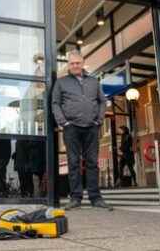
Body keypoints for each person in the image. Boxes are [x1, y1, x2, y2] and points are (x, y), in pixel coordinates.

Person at [52, 50, 110, 210]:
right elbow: (55, 103)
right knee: (73, 163)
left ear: (83, 63)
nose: (75, 65)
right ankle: (75, 198)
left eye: (78, 62)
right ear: (68, 65)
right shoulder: (61, 82)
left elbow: (102, 101)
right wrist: (63, 122)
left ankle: (95, 198)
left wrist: (99, 120)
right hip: (71, 128)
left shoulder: (93, 81)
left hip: (91, 127)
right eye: (72, 63)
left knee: (92, 163)